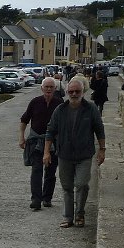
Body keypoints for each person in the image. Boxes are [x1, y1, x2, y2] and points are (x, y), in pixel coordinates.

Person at [43, 78, 106, 228]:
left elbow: (99, 129)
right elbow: (50, 131)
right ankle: (68, 217)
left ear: (83, 91)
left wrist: (102, 150)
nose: (74, 94)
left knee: (82, 184)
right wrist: (46, 152)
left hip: (84, 155)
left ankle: (80, 213)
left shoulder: (91, 109)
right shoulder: (60, 110)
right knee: (67, 187)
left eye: (77, 91)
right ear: (66, 92)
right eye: (71, 91)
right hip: (64, 154)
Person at [19, 77, 63, 211]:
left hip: (54, 142)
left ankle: (47, 198)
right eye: (46, 87)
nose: (49, 89)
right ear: (42, 88)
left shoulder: (60, 103)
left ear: (55, 89)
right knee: (36, 170)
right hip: (36, 141)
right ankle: (36, 200)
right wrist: (21, 137)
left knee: (50, 171)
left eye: (51, 87)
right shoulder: (35, 102)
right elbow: (24, 119)